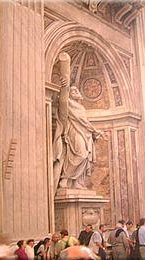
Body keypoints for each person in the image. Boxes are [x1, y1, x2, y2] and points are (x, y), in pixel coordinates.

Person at [53, 52, 105, 190]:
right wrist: (64, 87)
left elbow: (85, 123)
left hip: (84, 133)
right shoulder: (68, 103)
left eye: (76, 91)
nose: (76, 92)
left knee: (85, 157)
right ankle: (65, 178)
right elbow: (62, 102)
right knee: (80, 154)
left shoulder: (81, 107)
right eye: (73, 91)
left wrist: (94, 132)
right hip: (74, 132)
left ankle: (75, 181)